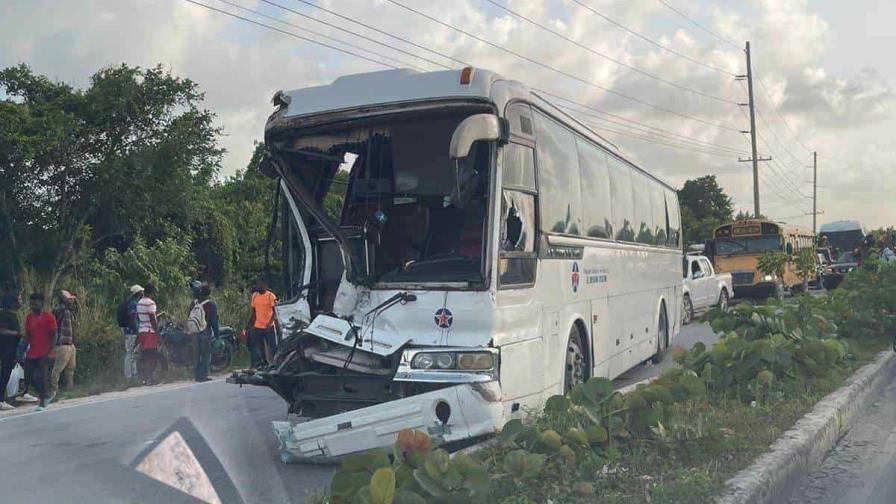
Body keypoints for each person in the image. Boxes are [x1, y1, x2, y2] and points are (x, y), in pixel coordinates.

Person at [23, 292, 57, 410]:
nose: (33, 305)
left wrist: (50, 351)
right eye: (31, 303)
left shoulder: (49, 317)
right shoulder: (29, 318)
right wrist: (23, 349)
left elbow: (54, 335)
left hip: (45, 352)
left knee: (40, 377)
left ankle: (43, 401)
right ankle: (47, 394)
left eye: (35, 303)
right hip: (32, 352)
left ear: (42, 303)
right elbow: (27, 336)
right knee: (28, 376)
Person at [48, 290, 77, 401]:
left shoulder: (67, 311)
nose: (71, 301)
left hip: (69, 343)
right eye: (69, 299)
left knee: (71, 368)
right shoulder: (59, 310)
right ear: (64, 299)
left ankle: (69, 388)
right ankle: (54, 390)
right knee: (57, 369)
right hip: (62, 344)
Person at [190, 281, 219, 382]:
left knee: (196, 355)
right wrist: (217, 335)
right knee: (206, 354)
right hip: (205, 332)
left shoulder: (194, 303)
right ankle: (203, 375)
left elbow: (189, 315)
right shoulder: (211, 304)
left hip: (194, 332)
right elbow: (214, 321)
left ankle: (197, 375)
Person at [247, 281, 277, 369]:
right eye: (258, 285)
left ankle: (275, 364)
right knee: (255, 347)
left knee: (272, 347)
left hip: (269, 327)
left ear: (265, 286)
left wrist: (270, 323)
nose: (259, 287)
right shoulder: (255, 296)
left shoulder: (270, 296)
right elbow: (254, 312)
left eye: (261, 285)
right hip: (257, 326)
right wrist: (251, 325)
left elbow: (275, 312)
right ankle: (255, 365)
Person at [0, 291, 22, 411]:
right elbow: (2, 330)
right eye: (19, 299)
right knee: (4, 375)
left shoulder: (13, 315)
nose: (21, 301)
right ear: (12, 301)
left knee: (6, 374)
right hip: (4, 350)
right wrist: (17, 334)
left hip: (11, 350)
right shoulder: (4, 315)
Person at [116, 285, 143, 382]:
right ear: (138, 293)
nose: (142, 293)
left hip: (129, 332)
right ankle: (128, 376)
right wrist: (137, 331)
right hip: (132, 332)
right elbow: (133, 319)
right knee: (130, 354)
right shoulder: (133, 304)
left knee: (133, 354)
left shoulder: (131, 303)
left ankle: (133, 376)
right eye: (141, 291)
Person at [136, 284, 161, 385]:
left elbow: (139, 318)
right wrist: (158, 334)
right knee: (152, 356)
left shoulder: (139, 303)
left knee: (145, 355)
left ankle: (144, 378)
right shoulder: (151, 303)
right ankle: (151, 379)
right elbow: (152, 319)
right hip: (150, 331)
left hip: (142, 330)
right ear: (152, 292)